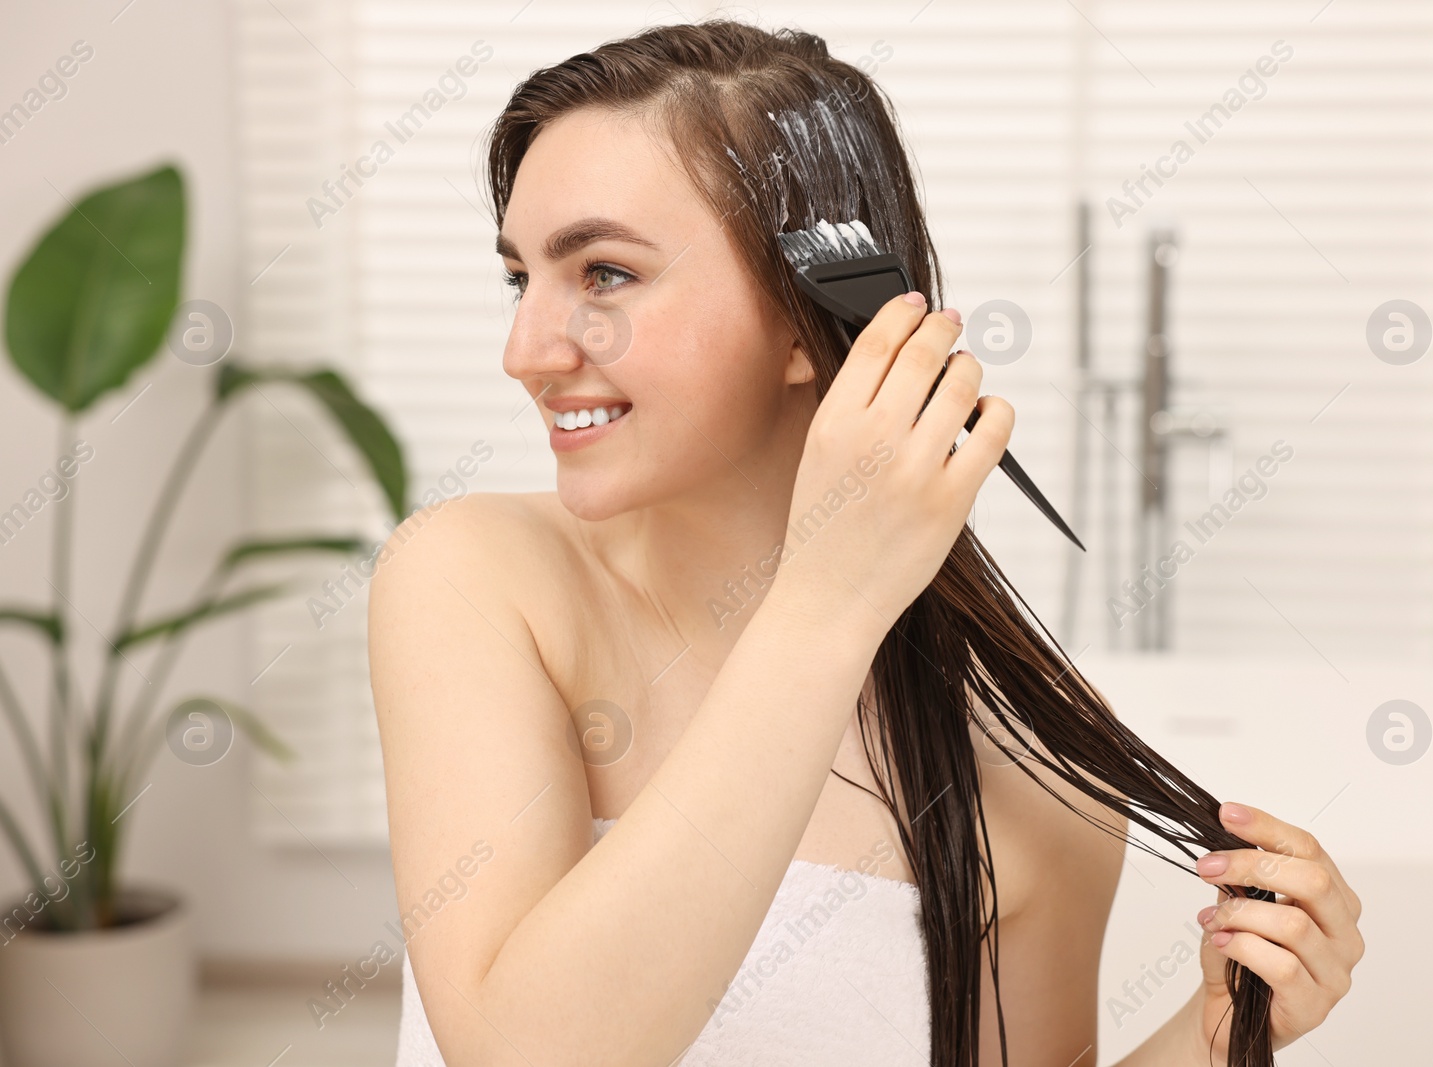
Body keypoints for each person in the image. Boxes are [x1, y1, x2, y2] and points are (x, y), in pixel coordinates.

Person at [368, 19, 1363, 1067]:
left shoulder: (1028, 760)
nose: (526, 350)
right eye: (520, 277)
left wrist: (1204, 1045)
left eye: (605, 273)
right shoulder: (478, 579)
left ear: (808, 318)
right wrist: (823, 603)